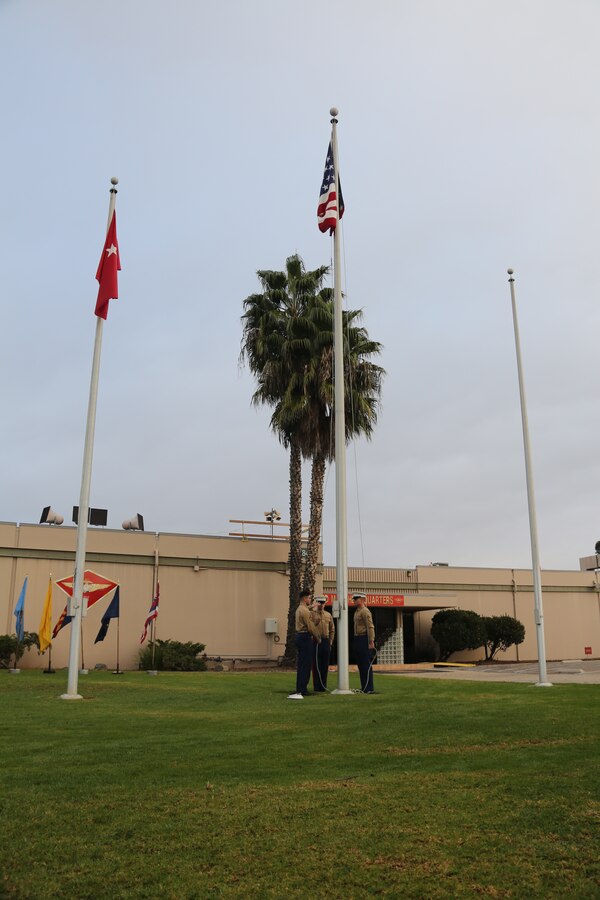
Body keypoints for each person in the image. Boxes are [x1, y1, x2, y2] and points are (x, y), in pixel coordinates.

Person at [288, 589, 321, 699]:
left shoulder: (300, 609)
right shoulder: (305, 611)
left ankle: (300, 688)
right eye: (309, 598)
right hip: (305, 637)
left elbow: (306, 610)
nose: (310, 600)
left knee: (301, 664)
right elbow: (311, 626)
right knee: (306, 665)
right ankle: (303, 689)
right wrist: (318, 637)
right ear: (305, 598)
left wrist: (313, 606)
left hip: (299, 637)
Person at [353, 593, 376, 693]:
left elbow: (370, 627)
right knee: (360, 664)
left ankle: (369, 688)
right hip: (358, 638)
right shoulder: (357, 612)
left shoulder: (365, 611)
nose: (354, 600)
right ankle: (364, 687)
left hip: (364, 638)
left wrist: (371, 640)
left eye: (356, 599)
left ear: (362, 599)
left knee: (366, 664)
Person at [311, 596, 335, 692]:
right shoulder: (312, 614)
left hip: (325, 641)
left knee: (325, 665)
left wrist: (330, 641)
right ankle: (316, 687)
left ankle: (323, 686)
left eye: (323, 603)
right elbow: (309, 626)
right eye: (319, 603)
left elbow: (332, 629)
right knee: (316, 665)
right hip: (316, 640)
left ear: (325, 604)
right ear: (317, 603)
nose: (321, 605)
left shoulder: (328, 615)